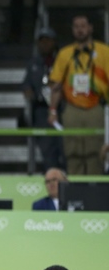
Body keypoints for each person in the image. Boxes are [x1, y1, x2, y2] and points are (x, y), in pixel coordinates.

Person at [48, 15, 109, 175]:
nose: (80, 29)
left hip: (96, 106)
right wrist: (53, 110)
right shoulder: (65, 53)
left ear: (90, 28)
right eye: (76, 26)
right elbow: (56, 86)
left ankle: (95, 193)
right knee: (72, 152)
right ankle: (75, 192)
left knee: (96, 152)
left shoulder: (104, 51)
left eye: (83, 26)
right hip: (72, 108)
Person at [22, 27, 65, 171]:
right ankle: (51, 179)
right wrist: (28, 92)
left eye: (48, 41)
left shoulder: (62, 61)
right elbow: (26, 84)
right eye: (42, 41)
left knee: (64, 148)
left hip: (61, 109)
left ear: (54, 42)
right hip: (41, 110)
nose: (45, 44)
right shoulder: (33, 63)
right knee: (47, 151)